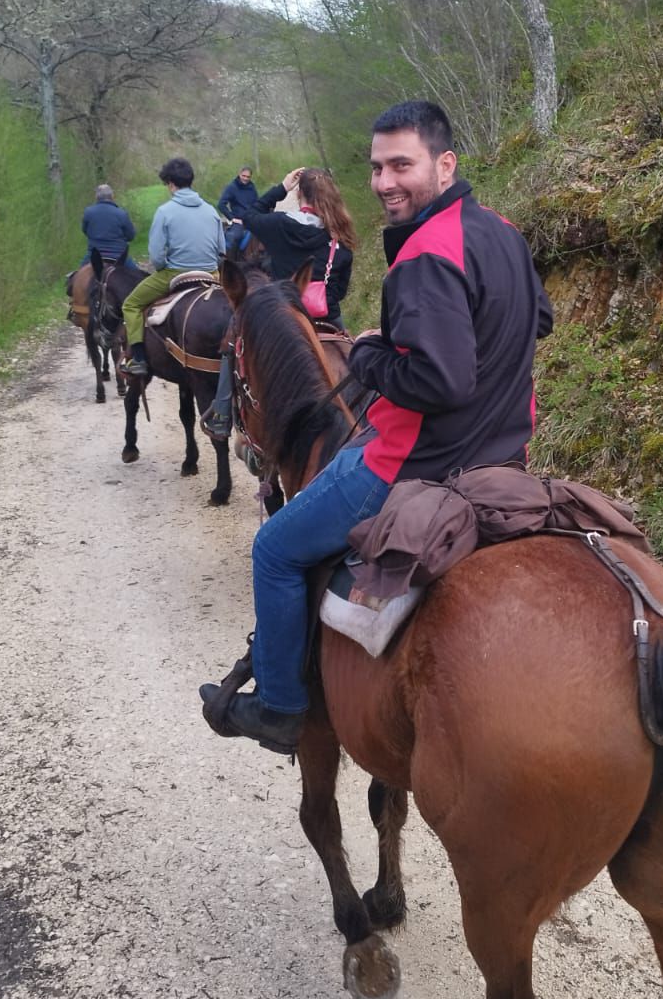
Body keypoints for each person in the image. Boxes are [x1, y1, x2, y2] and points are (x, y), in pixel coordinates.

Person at [199, 100, 554, 754]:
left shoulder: (425, 254)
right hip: (504, 457)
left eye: (402, 165)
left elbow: (441, 383)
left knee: (274, 549)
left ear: (445, 164)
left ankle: (278, 706)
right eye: (376, 168)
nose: (385, 182)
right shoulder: (502, 230)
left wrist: (368, 353)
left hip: (411, 462)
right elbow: (540, 319)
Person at [201, 165, 357, 438]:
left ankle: (222, 413)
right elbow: (339, 292)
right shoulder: (339, 242)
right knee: (355, 357)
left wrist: (281, 188)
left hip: (281, 315)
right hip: (326, 316)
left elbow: (249, 214)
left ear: (299, 194)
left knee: (232, 343)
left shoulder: (278, 226)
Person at [121, 158, 225, 377]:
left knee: (131, 304)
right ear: (190, 181)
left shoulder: (164, 211)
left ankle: (138, 359)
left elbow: (157, 256)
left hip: (175, 273)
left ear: (170, 184)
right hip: (211, 274)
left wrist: (163, 266)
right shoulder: (211, 210)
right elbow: (221, 250)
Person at [80, 183, 136, 266]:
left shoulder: (88, 212)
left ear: (96, 197)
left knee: (78, 273)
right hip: (118, 255)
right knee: (136, 273)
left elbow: (85, 230)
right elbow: (131, 236)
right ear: (112, 196)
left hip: (94, 255)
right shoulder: (122, 213)